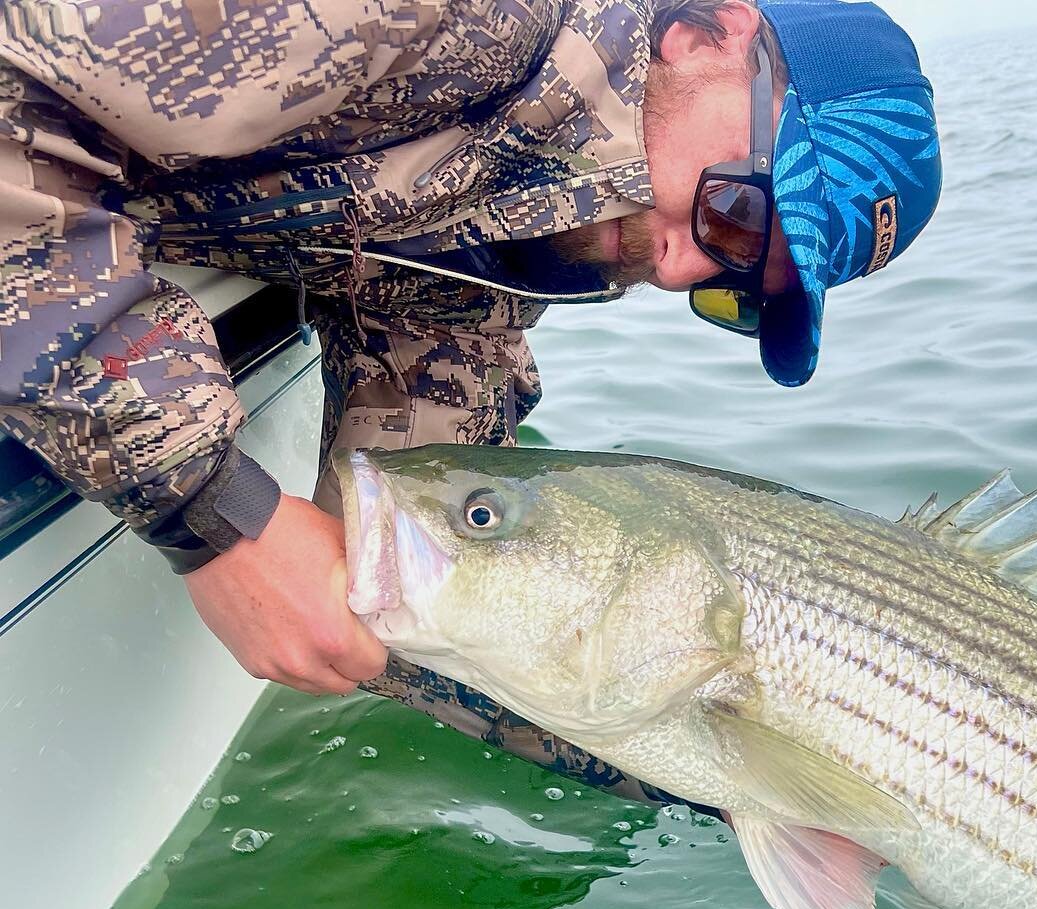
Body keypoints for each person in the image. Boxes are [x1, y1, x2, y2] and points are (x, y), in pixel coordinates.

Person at [0, 0, 941, 798]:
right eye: (737, 210)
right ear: (707, 37)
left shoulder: (495, 253)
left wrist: (767, 785)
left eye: (736, 284)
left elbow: (447, 603)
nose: (678, 265)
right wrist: (210, 507)